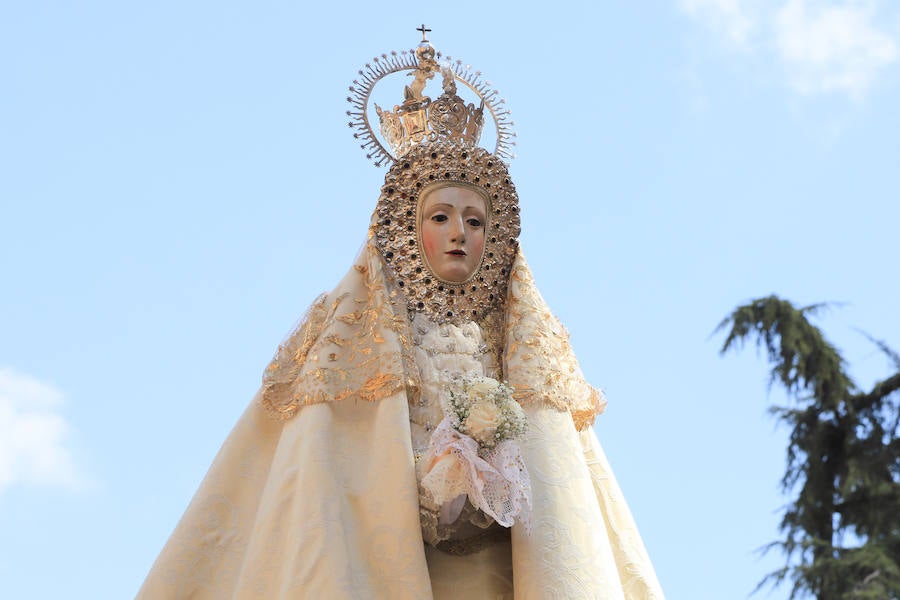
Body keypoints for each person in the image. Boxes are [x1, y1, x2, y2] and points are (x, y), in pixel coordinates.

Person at [138, 29, 664, 600]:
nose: (459, 233)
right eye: (440, 217)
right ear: (407, 232)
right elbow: (331, 470)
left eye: (475, 221)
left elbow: (559, 485)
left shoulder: (522, 343)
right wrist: (430, 484)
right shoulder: (355, 335)